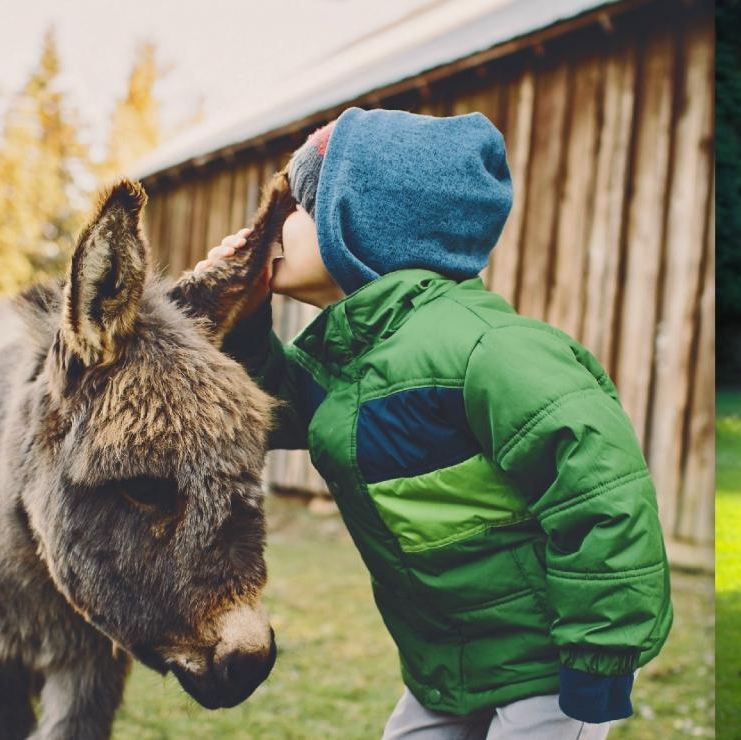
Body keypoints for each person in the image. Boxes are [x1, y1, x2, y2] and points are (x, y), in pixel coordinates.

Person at [195, 107, 672, 739]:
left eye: (297, 206)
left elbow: (603, 495)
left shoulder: (486, 348)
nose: (273, 224)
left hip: (547, 670)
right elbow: (268, 411)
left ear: (359, 227)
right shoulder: (346, 358)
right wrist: (244, 316)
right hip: (448, 664)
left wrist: (599, 662)